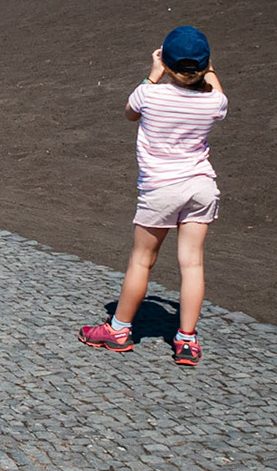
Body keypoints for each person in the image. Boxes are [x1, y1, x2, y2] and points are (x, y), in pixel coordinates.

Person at [79, 25, 227, 366]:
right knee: (192, 263)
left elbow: (130, 112)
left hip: (161, 188)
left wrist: (153, 73)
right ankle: (186, 340)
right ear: (204, 66)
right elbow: (221, 99)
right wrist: (210, 69)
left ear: (168, 63)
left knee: (142, 260)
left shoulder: (149, 95)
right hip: (201, 187)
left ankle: (118, 330)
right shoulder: (212, 102)